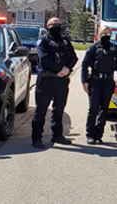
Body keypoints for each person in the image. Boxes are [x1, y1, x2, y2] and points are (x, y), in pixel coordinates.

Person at [31, 17, 78, 149]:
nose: (57, 26)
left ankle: (57, 135)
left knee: (59, 109)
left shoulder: (65, 41)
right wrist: (59, 69)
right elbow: (44, 59)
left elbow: (74, 57)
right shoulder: (43, 41)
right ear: (47, 26)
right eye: (53, 24)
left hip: (62, 81)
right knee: (41, 110)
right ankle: (37, 138)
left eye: (59, 24)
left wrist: (67, 69)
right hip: (47, 80)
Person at [81, 25, 117, 144]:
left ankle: (99, 135)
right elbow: (84, 65)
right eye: (104, 33)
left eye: (108, 33)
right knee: (93, 109)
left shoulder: (115, 49)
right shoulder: (93, 48)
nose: (106, 36)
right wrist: (84, 81)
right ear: (99, 35)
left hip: (108, 82)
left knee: (104, 109)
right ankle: (90, 134)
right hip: (95, 81)